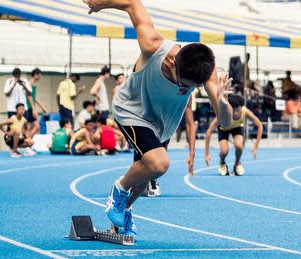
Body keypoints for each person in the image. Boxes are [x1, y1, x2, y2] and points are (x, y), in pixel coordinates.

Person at [85, 0, 233, 239]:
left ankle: (125, 210)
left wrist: (222, 101)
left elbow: (225, 122)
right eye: (186, 86)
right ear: (173, 63)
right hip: (131, 110)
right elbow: (132, 4)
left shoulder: (205, 74)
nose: (189, 89)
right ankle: (118, 190)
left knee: (147, 174)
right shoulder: (153, 46)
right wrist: (101, 4)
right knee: (159, 163)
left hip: (161, 124)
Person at [203, 94, 262, 176]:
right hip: (224, 129)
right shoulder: (223, 113)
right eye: (234, 111)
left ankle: (237, 164)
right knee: (224, 151)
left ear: (241, 108)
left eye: (238, 110)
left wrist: (255, 147)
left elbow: (259, 125)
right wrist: (207, 153)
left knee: (239, 146)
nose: (236, 113)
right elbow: (209, 131)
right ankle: (222, 163)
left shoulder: (245, 111)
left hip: (237, 128)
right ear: (230, 109)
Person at [25, 68, 48, 140]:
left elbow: (34, 97)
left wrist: (42, 107)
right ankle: (26, 143)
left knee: (35, 126)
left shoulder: (33, 83)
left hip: (31, 107)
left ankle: (27, 142)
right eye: (39, 75)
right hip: (28, 107)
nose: (40, 77)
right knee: (29, 127)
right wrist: (33, 109)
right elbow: (29, 96)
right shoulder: (30, 83)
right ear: (35, 75)